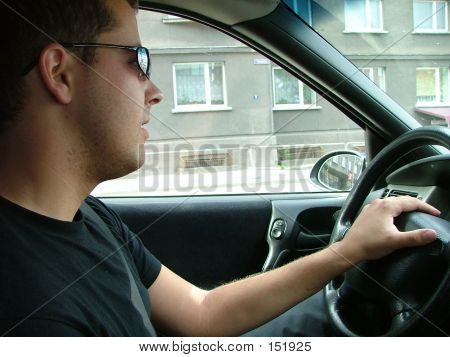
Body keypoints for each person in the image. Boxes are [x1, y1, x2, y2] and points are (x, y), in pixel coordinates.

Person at [0, 0, 441, 337]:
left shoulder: (88, 215)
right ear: (60, 73)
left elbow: (200, 312)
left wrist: (347, 252)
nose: (155, 92)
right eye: (138, 60)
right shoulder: (30, 313)